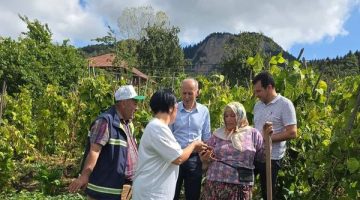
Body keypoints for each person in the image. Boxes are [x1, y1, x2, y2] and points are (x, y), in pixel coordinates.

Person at [69, 85, 145, 200]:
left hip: (124, 189)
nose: (137, 107)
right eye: (134, 102)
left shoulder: (128, 124)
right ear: (124, 103)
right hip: (105, 191)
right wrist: (84, 176)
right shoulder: (105, 122)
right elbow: (94, 151)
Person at [132, 89, 207, 200]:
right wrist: (194, 145)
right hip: (152, 192)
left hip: (154, 190)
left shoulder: (158, 126)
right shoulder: (158, 128)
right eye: (177, 108)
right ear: (171, 108)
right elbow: (178, 158)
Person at [200, 102, 272, 200]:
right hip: (215, 183)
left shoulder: (253, 134)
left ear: (240, 115)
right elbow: (204, 154)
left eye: (233, 115)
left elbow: (263, 157)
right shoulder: (218, 134)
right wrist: (205, 157)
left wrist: (267, 138)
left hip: (241, 184)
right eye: (226, 116)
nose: (228, 119)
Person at [252, 71, 297, 200]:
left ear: (269, 87)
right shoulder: (257, 106)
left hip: (272, 157)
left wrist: (267, 138)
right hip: (255, 154)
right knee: (245, 184)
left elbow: (292, 132)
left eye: (259, 91)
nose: (256, 95)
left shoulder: (285, 104)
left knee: (268, 193)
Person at [171, 78, 211, 200]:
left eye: (190, 93)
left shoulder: (204, 111)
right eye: (184, 93)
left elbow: (207, 136)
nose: (187, 97)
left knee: (193, 195)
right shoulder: (174, 109)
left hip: (194, 159)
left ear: (197, 93)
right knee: (172, 194)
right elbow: (168, 134)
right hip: (175, 157)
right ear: (180, 92)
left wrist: (205, 159)